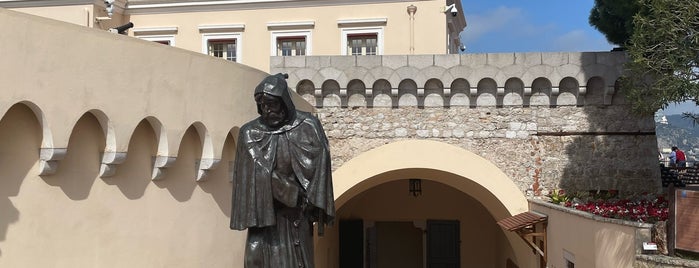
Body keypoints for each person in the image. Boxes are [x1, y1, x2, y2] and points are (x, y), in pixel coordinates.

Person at [230, 73, 335, 268]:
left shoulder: (308, 126)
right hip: (262, 215)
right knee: (254, 258)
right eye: (262, 106)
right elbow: (250, 171)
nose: (268, 110)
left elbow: (320, 167)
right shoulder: (250, 132)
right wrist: (287, 190)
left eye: (272, 104)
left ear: (284, 102)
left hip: (296, 216)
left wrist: (303, 199)